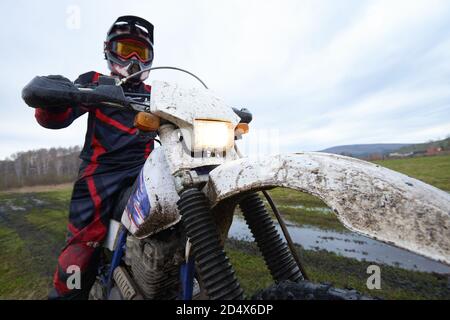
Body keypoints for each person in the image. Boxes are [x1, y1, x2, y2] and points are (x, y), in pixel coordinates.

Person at [26, 15, 155, 299]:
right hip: (101, 174)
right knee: (83, 247)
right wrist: (54, 98)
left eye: (141, 52)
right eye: (125, 49)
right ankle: (67, 294)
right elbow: (56, 118)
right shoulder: (96, 82)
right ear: (109, 50)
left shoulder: (157, 94)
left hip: (147, 171)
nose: (133, 57)